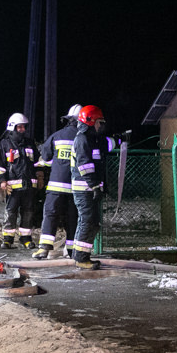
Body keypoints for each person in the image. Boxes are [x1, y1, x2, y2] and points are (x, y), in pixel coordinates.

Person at [32, 104, 82, 259]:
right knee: (72, 218)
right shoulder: (85, 138)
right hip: (76, 187)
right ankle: (72, 251)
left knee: (50, 215)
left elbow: (46, 157)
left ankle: (44, 249)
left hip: (56, 186)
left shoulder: (57, 135)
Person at [0, 112, 41, 249]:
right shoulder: (4, 143)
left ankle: (25, 238)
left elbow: (37, 162)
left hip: (29, 186)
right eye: (19, 127)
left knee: (28, 213)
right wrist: (2, 181)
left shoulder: (29, 143)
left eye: (24, 127)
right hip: (12, 187)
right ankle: (8, 239)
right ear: (13, 127)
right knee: (10, 213)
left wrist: (40, 175)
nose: (22, 130)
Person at [70, 105, 108, 270]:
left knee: (93, 223)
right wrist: (94, 187)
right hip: (84, 189)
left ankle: (83, 255)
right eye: (99, 122)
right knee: (87, 221)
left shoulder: (93, 140)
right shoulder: (82, 139)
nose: (101, 125)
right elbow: (85, 166)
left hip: (90, 188)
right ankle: (80, 257)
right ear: (90, 121)